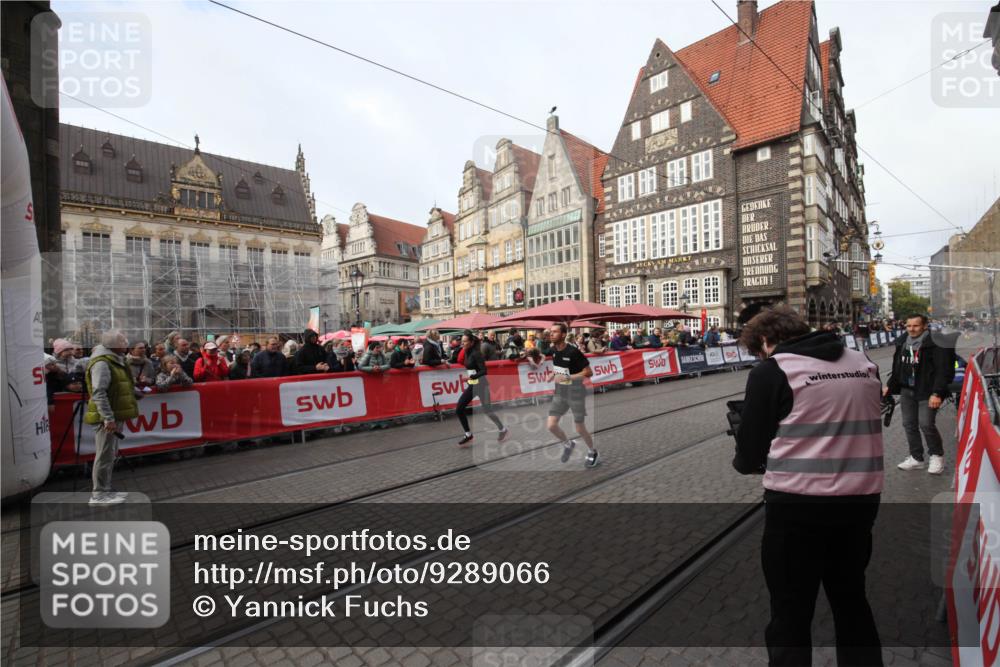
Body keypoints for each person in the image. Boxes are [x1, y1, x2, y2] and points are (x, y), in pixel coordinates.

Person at [733, 307, 883, 666]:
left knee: (790, 609)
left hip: (798, 506)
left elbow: (749, 452)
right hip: (860, 501)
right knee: (851, 599)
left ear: (766, 341)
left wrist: (748, 457)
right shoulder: (864, 363)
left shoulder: (774, 371)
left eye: (759, 350)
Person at [885, 313, 952, 474]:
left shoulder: (937, 342)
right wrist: (889, 385)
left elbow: (944, 370)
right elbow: (897, 367)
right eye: (908, 326)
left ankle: (937, 456)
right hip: (907, 390)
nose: (911, 329)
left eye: (915, 326)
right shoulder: (902, 342)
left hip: (927, 391)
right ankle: (916, 458)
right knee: (909, 425)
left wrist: (937, 392)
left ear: (924, 326)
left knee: (926, 424)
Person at [84, 330, 142, 506]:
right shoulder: (102, 363)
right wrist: (108, 418)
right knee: (104, 455)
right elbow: (99, 392)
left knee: (109, 454)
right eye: (124, 341)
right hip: (107, 418)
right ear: (115, 345)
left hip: (113, 415)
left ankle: (105, 489)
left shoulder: (114, 360)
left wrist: (134, 393)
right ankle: (99, 494)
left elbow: (117, 386)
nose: (126, 344)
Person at [545, 323, 599, 467]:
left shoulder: (573, 351)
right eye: (551, 332)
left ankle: (592, 451)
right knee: (551, 425)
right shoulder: (553, 350)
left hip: (575, 393)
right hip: (560, 393)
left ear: (563, 335)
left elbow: (589, 372)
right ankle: (568, 444)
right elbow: (560, 368)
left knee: (579, 428)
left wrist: (569, 378)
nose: (551, 334)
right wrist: (553, 374)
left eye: (555, 332)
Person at [455, 332, 509, 446]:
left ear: (471, 342)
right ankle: (468, 434)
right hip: (473, 384)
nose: (462, 343)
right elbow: (458, 360)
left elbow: (484, 371)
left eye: (465, 341)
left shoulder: (476, 354)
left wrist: (471, 376)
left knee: (488, 410)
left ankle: (502, 429)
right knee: (459, 408)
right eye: (462, 341)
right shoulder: (466, 352)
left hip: (481, 385)